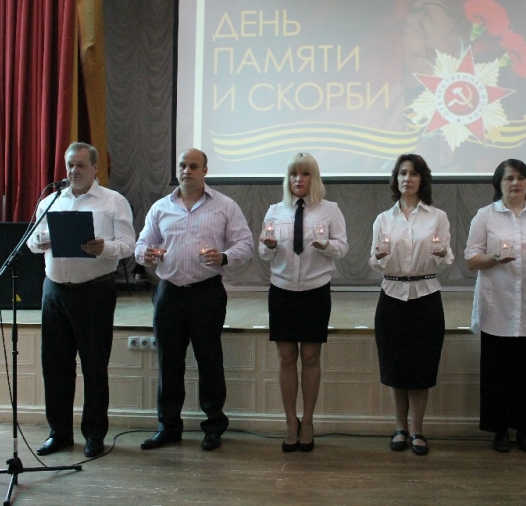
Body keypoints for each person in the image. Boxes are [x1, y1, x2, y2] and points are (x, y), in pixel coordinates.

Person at [135, 148, 254, 452]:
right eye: (182, 166)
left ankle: (213, 426)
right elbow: (141, 244)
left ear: (205, 171)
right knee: (168, 363)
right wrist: (146, 254)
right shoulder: (160, 208)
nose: (187, 171)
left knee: (209, 360)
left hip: (206, 292)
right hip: (169, 292)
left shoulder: (225, 206)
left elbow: (246, 244)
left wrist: (224, 256)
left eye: (193, 166)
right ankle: (168, 427)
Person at [27, 142, 135, 458]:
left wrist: (104, 247)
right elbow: (31, 241)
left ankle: (94, 435)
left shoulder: (113, 201)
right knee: (55, 366)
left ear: (95, 168)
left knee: (94, 366)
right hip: (55, 291)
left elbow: (128, 244)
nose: (74, 171)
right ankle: (59, 433)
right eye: (70, 165)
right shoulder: (51, 201)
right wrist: (40, 241)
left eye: (80, 165)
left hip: (94, 292)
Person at [464, 158, 526, 454]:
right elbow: (471, 259)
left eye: (521, 178)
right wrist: (494, 258)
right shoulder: (485, 216)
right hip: (497, 304)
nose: (515, 183)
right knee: (496, 373)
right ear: (499, 184)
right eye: (509, 178)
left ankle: (525, 429)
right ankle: (499, 430)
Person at [259, 153, 349, 452]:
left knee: (310, 357)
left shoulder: (330, 210)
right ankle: (290, 422)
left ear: (315, 178)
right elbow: (263, 252)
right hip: (282, 290)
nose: (299, 179)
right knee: (286, 358)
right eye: (294, 174)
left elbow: (342, 248)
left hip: (315, 290)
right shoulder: (275, 211)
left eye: (305, 174)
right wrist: (269, 246)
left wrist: (327, 246)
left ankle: (308, 421)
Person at [369, 153, 453, 456]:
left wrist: (441, 253)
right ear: (396, 179)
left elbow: (447, 258)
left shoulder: (437, 217)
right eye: (402, 173)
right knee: (396, 368)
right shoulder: (384, 218)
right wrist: (379, 257)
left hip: (425, 296)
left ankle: (417, 430)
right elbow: (374, 261)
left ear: (422, 179)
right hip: (392, 297)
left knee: (421, 368)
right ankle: (400, 428)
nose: (407, 178)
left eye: (414, 173)